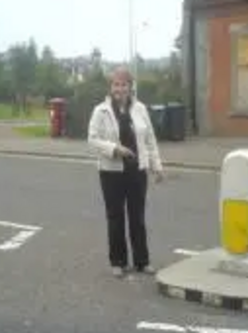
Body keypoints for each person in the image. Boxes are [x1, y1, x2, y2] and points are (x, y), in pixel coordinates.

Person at [87, 67, 164, 278]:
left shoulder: (140, 109)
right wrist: (114, 149)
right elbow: (92, 140)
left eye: (123, 84)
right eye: (116, 84)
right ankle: (118, 262)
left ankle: (142, 261)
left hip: (137, 171)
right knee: (115, 217)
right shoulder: (100, 111)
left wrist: (157, 166)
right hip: (111, 171)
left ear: (130, 87)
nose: (119, 88)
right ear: (111, 87)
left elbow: (150, 140)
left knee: (137, 217)